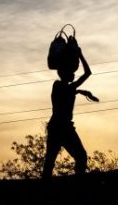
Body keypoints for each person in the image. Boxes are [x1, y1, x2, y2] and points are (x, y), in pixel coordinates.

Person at [42, 47, 98, 178]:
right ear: (64, 72)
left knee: (51, 160)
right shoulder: (58, 85)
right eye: (71, 71)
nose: (74, 74)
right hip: (62, 128)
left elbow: (74, 85)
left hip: (58, 127)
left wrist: (80, 91)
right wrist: (81, 55)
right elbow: (87, 73)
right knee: (79, 157)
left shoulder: (64, 87)